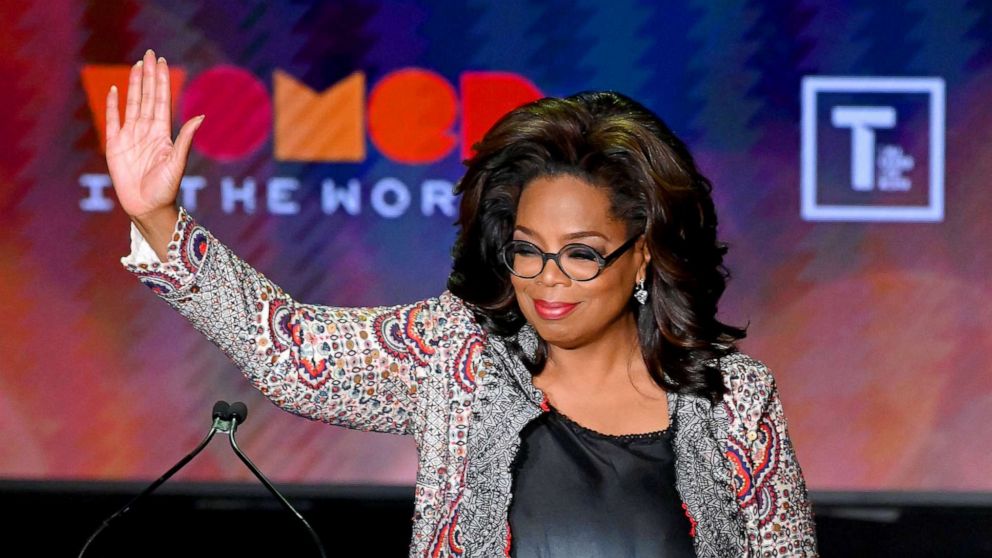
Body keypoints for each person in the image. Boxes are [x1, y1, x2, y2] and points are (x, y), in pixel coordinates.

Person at [108, 49, 818, 557]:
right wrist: (158, 218)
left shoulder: (736, 399)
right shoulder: (459, 355)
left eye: (580, 252)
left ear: (642, 254)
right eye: (527, 248)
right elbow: (294, 354)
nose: (547, 279)